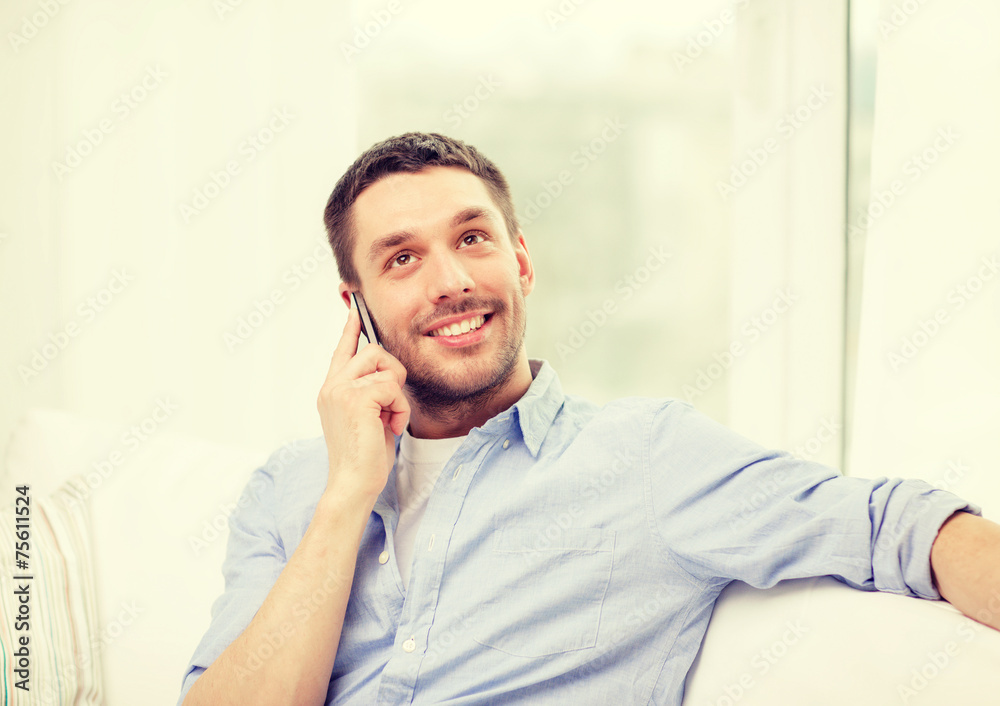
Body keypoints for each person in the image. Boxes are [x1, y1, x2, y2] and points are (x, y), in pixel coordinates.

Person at [178, 132, 999, 706]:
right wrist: (347, 496)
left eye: (473, 238)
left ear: (522, 261)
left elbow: (895, 526)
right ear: (354, 310)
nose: (451, 280)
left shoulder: (646, 455)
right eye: (402, 258)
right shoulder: (288, 491)